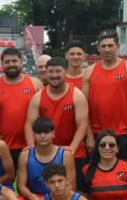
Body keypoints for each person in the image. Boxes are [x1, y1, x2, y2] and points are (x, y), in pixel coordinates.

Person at [80, 30, 127, 161]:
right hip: (97, 133)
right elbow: (83, 108)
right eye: (103, 46)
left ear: (117, 46)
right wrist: (89, 136)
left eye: (110, 45)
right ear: (98, 48)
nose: (106, 50)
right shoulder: (89, 71)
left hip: (122, 133)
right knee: (96, 177)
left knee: (124, 176)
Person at [26, 57, 89, 185]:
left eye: (58, 71)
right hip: (47, 153)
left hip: (74, 153)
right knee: (47, 189)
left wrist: (72, 148)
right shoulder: (38, 97)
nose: (54, 75)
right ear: (46, 73)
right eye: (51, 72)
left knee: (75, 191)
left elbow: (82, 125)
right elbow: (29, 124)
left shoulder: (76, 95)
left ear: (65, 72)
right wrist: (32, 148)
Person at [0, 48, 40, 169]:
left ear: (21, 62)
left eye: (14, 61)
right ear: (2, 64)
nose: (11, 64)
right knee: (4, 183)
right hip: (4, 144)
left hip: (30, 144)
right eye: (7, 62)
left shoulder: (35, 84)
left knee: (29, 183)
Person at [17, 117, 76, 200]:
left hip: (59, 196)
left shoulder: (65, 155)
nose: (42, 136)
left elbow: (71, 186)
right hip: (34, 197)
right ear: (33, 134)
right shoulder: (25, 155)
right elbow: (20, 186)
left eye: (46, 132)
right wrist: (34, 198)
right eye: (39, 133)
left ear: (53, 134)